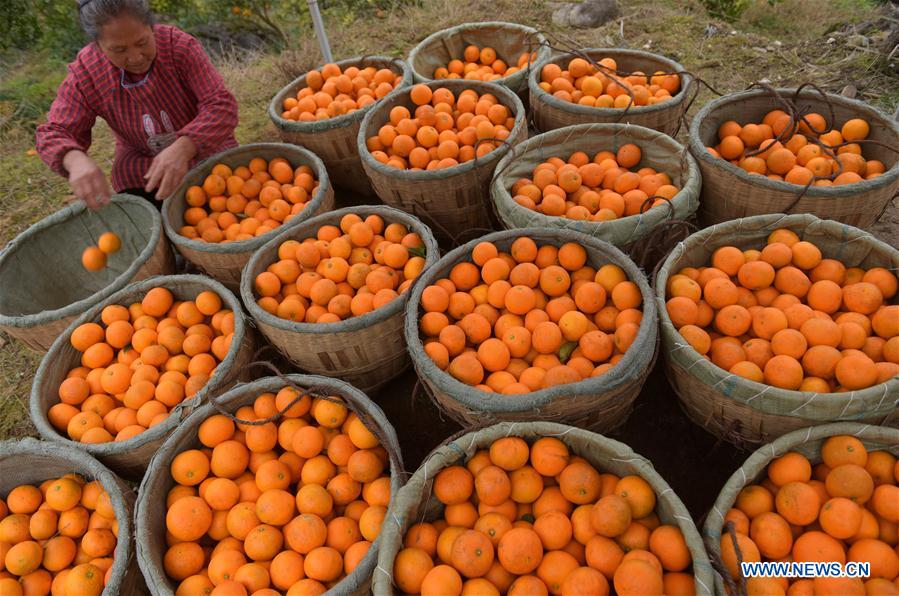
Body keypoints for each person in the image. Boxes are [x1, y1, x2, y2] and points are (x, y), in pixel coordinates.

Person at [36, 0, 239, 209]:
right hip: (144, 161)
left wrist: (185, 146)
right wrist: (74, 159)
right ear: (98, 46)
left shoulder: (177, 46)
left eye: (142, 43)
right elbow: (53, 132)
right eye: (119, 49)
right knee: (132, 185)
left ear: (151, 27)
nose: (135, 58)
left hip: (203, 147)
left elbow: (220, 105)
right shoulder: (87, 73)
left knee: (228, 190)